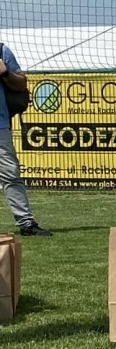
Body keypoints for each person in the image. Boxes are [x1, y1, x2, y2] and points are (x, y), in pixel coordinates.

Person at [0, 43, 50, 237]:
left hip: (1, 126)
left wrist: (5, 73)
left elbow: (21, 83)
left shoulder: (2, 51)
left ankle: (26, 223)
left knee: (11, 175)